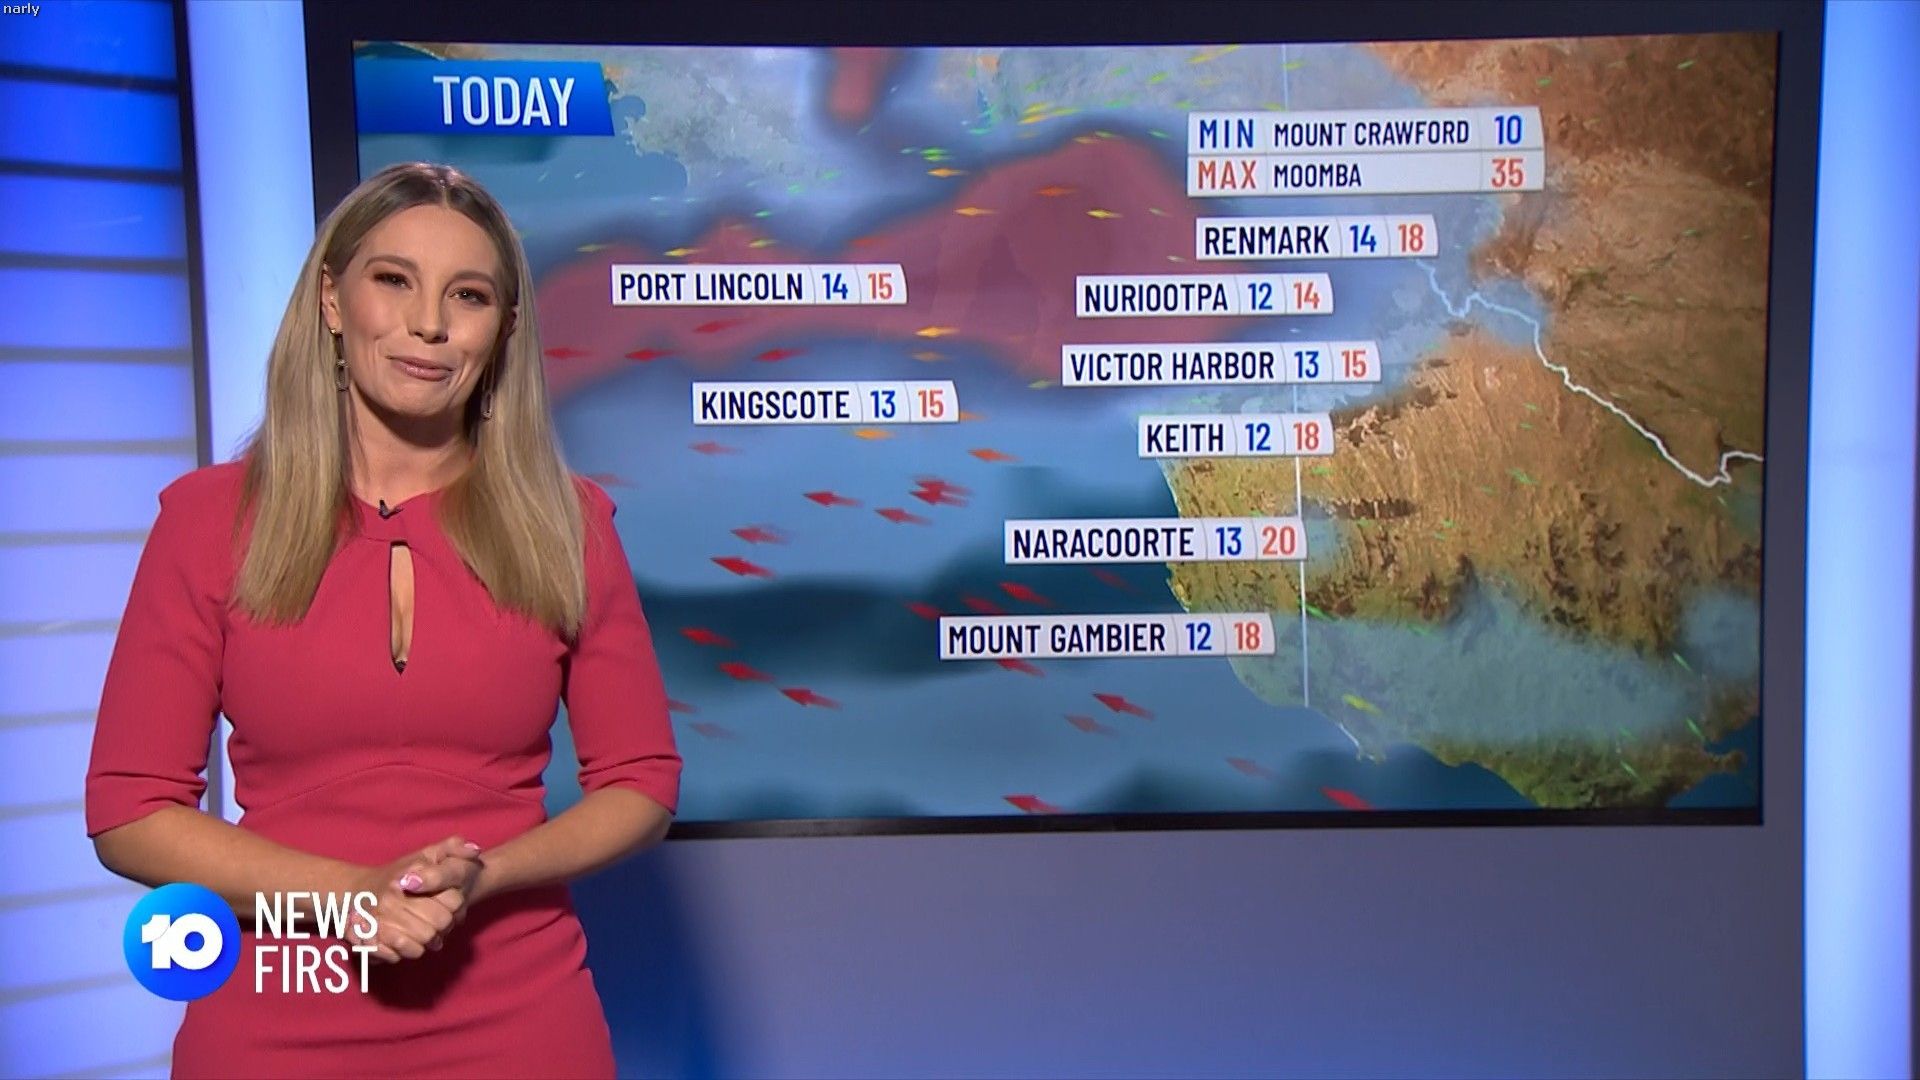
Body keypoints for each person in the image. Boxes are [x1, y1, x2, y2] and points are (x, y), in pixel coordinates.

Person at [83, 162, 681, 1077]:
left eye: (468, 295)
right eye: (394, 279)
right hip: (275, 1017)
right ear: (333, 299)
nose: (429, 323)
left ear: (503, 329)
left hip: (520, 1019)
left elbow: (641, 783)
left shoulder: (570, 525)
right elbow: (129, 811)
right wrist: (349, 897)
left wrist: (487, 874)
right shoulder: (207, 522)